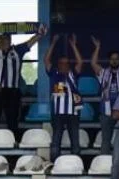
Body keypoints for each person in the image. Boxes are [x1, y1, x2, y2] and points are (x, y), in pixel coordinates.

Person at [91, 36, 119, 149]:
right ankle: (105, 164)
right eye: (112, 58)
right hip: (106, 113)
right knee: (106, 141)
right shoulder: (103, 73)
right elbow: (93, 63)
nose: (114, 60)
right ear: (109, 60)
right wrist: (97, 47)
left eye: (117, 58)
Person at [44, 34, 84, 162]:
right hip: (58, 113)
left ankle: (76, 163)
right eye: (61, 63)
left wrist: (73, 45)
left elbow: (80, 62)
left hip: (73, 112)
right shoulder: (54, 74)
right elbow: (46, 60)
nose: (64, 65)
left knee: (75, 141)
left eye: (66, 63)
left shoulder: (73, 74)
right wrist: (53, 43)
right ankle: (55, 163)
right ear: (58, 64)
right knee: (56, 140)